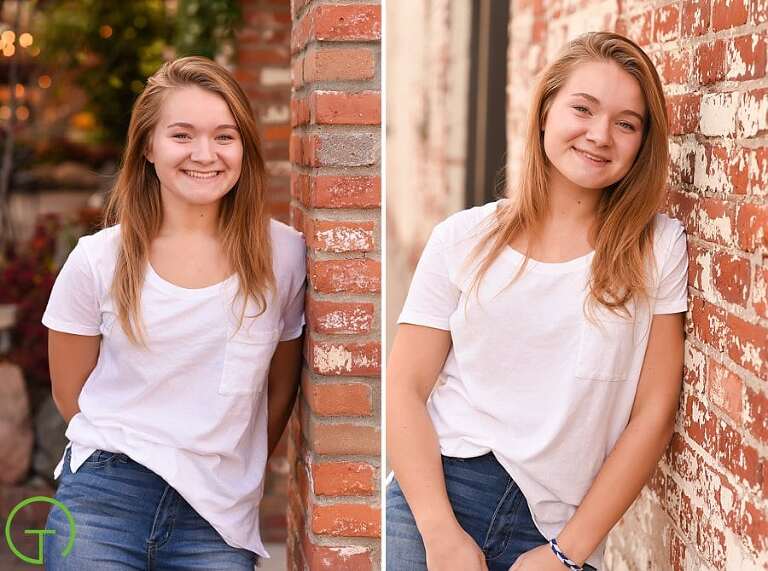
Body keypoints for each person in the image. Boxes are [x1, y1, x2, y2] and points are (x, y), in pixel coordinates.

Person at [386, 31, 688, 571]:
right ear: (546, 110)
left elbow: (654, 414)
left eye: (626, 123)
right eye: (583, 108)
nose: (600, 135)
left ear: (643, 142)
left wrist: (567, 554)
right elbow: (404, 387)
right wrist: (439, 533)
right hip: (437, 502)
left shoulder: (657, 248)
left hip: (556, 531)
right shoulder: (464, 238)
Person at [41, 56, 306, 570]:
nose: (204, 154)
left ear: (245, 148)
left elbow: (280, 392)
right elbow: (70, 395)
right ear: (148, 146)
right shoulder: (98, 260)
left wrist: (227, 464)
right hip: (104, 503)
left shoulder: (285, 257)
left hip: (217, 519)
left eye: (224, 137)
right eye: (182, 135)